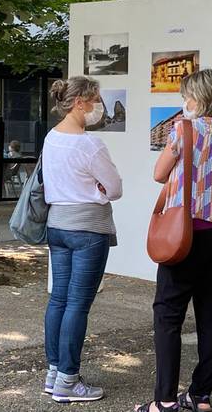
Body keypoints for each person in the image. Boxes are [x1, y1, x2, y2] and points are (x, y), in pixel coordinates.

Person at [135, 69, 212, 412]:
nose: (184, 102)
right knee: (210, 314)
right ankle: (200, 396)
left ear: (197, 98)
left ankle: (164, 401)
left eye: (186, 96)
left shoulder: (183, 129)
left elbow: (158, 173)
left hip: (187, 233)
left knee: (168, 314)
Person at [42, 76, 122, 403]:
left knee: (58, 300)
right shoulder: (89, 144)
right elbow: (115, 188)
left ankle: (53, 372)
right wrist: (98, 188)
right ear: (80, 103)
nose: (97, 107)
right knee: (77, 304)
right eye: (95, 101)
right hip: (88, 228)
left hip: (57, 225)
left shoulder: (51, 138)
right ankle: (68, 381)